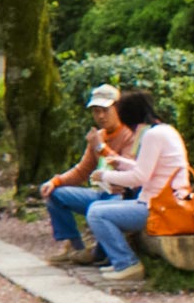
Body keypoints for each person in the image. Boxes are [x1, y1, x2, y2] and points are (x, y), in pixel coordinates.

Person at [83, 89, 191, 283]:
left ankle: (126, 263)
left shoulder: (151, 136)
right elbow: (146, 169)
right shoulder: (165, 130)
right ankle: (120, 261)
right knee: (98, 208)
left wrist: (106, 175)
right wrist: (119, 162)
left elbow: (140, 177)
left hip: (159, 207)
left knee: (96, 214)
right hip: (168, 202)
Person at [39, 85, 136, 266]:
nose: (101, 116)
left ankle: (106, 255)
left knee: (103, 211)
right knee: (54, 193)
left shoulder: (130, 135)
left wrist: (102, 147)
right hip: (100, 193)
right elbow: (82, 170)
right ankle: (76, 248)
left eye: (105, 110)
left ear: (117, 108)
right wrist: (55, 181)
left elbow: (129, 170)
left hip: (121, 197)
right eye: (96, 111)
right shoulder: (98, 136)